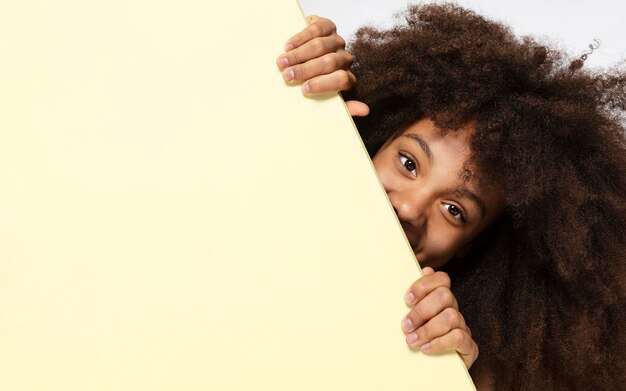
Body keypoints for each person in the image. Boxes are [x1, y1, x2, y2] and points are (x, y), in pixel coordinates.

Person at [276, 4, 625, 390]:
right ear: (376, 140)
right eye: (408, 163)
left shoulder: (455, 357)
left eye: (454, 210)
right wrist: (293, 97)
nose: (408, 208)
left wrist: (450, 378)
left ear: (470, 246)